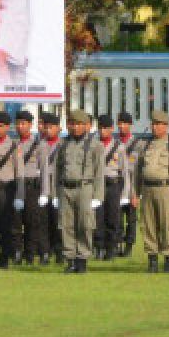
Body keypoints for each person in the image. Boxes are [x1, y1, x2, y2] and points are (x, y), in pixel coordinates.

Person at [132, 109, 169, 273]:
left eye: (158, 124)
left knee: (168, 225)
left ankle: (168, 260)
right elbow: (138, 171)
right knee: (148, 225)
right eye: (153, 124)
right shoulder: (145, 144)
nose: (154, 127)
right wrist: (135, 193)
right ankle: (152, 260)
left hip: (167, 190)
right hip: (148, 189)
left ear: (166, 126)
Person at [54, 109, 104, 274]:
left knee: (85, 224)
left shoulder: (95, 145)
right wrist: (55, 193)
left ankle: (82, 259)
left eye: (78, 124)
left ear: (86, 126)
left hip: (85, 187)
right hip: (66, 187)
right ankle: (70, 259)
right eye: (72, 124)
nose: (75, 127)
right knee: (66, 224)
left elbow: (99, 172)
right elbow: (57, 169)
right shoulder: (63, 144)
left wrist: (98, 196)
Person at [10, 109, 48, 264]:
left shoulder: (39, 145)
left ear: (30, 125)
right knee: (15, 222)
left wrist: (45, 192)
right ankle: (17, 252)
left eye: (23, 123)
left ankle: (30, 254)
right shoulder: (13, 144)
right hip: (16, 186)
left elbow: (44, 169)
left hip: (32, 186)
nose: (20, 126)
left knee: (33, 222)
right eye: (18, 123)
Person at [0, 110, 24, 268]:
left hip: (7, 188)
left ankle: (5, 258)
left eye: (1, 126)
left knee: (6, 225)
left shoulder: (14, 146)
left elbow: (20, 172)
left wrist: (19, 196)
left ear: (8, 127)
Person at [93, 114, 130, 262]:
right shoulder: (94, 145)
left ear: (111, 129)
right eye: (101, 128)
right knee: (98, 217)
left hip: (113, 184)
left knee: (113, 218)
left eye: (106, 128)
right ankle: (99, 247)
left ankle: (111, 248)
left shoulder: (118, 147)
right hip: (98, 184)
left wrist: (125, 193)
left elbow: (124, 171)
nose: (103, 131)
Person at [117, 111, 144, 258]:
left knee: (131, 218)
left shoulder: (138, 144)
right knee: (117, 217)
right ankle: (118, 244)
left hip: (132, 185)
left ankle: (129, 245)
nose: (122, 126)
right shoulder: (115, 143)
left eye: (125, 123)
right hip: (119, 184)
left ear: (130, 125)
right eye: (120, 123)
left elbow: (138, 168)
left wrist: (137, 193)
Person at [40, 111, 63, 263]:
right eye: (46, 127)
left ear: (58, 129)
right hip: (42, 188)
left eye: (51, 127)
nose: (48, 130)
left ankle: (60, 252)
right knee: (43, 222)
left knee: (59, 222)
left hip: (58, 188)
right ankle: (44, 252)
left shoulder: (64, 145)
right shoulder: (39, 145)